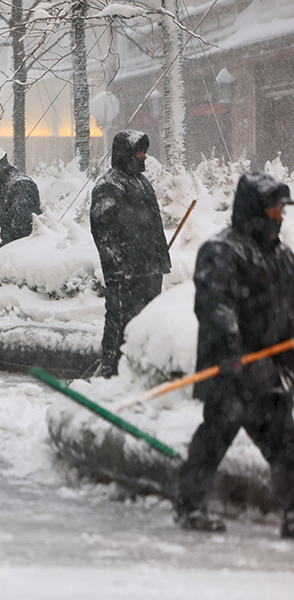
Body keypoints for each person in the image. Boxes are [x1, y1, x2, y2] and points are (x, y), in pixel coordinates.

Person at [175, 172, 294, 537]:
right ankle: (191, 506)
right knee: (214, 439)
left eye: (281, 209)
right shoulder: (222, 250)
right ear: (256, 210)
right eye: (274, 209)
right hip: (231, 370)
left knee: (285, 443)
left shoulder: (282, 256)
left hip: (268, 370)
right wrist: (231, 351)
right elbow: (215, 306)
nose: (280, 216)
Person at [90, 130, 170, 378]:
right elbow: (102, 232)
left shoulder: (141, 182)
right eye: (138, 151)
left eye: (143, 152)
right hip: (125, 273)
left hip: (150, 268)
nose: (142, 156)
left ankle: (138, 370)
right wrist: (117, 268)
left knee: (146, 322)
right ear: (125, 153)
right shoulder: (108, 185)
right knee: (119, 322)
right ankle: (111, 371)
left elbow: (153, 223)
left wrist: (160, 258)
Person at [0, 143, 41, 248]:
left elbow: (24, 222)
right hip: (9, 240)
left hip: (26, 244)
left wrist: (9, 242)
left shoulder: (22, 185)